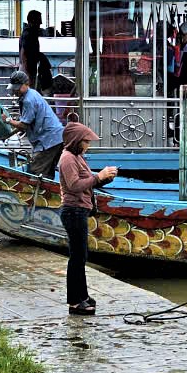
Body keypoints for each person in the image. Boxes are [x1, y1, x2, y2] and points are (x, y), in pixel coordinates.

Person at [57, 121, 116, 316]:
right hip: (73, 211)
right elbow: (74, 186)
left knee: (81, 256)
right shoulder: (67, 159)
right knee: (77, 257)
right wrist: (98, 177)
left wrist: (105, 178)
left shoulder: (78, 157)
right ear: (77, 141)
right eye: (86, 141)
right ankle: (75, 301)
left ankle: (82, 296)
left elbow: (86, 183)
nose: (88, 145)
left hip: (80, 210)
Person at [5, 70, 64, 179]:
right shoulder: (31, 94)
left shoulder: (28, 100)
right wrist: (8, 134)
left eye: (17, 87)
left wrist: (8, 120)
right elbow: (25, 123)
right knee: (47, 172)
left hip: (48, 139)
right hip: (55, 138)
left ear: (26, 84)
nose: (15, 91)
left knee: (35, 171)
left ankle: (37, 194)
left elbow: (23, 125)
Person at [19, 10, 53, 93]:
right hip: (28, 70)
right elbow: (24, 53)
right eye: (39, 21)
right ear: (33, 21)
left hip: (30, 68)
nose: (40, 24)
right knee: (29, 92)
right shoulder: (28, 34)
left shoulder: (30, 33)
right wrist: (27, 74)